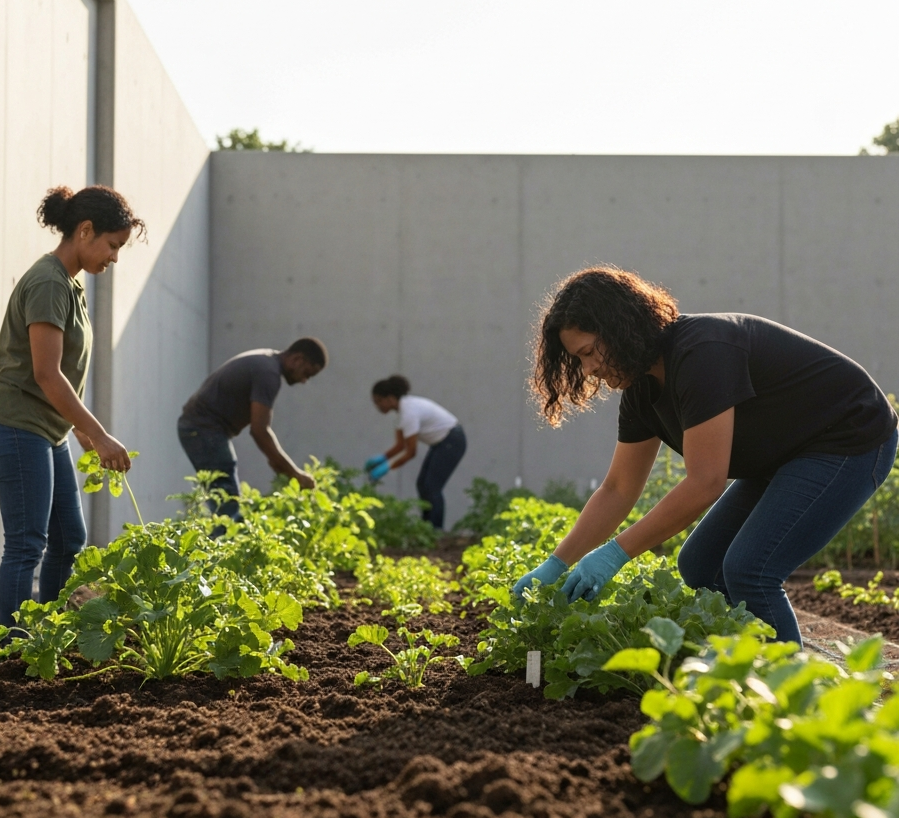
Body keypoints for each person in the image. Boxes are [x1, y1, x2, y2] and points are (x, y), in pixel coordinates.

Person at [513, 266, 898, 647]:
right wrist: (556, 564)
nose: (589, 368)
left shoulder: (702, 352)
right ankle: (747, 662)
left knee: (751, 570)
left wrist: (615, 554)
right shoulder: (640, 389)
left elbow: (705, 483)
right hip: (786, 452)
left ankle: (788, 693)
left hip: (848, 437)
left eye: (590, 352)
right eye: (578, 360)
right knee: (700, 565)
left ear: (618, 327)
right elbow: (617, 489)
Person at [0, 185, 146, 629]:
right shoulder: (50, 282)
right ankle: (15, 647)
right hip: (15, 425)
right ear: (85, 230)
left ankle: (49, 633)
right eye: (112, 245)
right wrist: (101, 435)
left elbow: (61, 380)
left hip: (44, 429)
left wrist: (84, 435)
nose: (114, 257)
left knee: (69, 537)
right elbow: (47, 375)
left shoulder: (71, 284)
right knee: (26, 543)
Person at [177, 339, 328, 518]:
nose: (304, 380)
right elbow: (259, 431)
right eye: (307, 374)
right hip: (203, 429)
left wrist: (279, 463)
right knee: (228, 510)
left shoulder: (266, 360)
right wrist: (296, 474)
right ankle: (223, 542)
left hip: (201, 428)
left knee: (223, 502)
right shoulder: (268, 373)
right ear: (298, 359)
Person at [365, 375, 467, 529]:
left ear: (391, 399)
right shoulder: (403, 412)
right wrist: (382, 459)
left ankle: (435, 531)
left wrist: (387, 467)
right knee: (423, 485)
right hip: (442, 443)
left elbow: (411, 452)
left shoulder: (408, 413)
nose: (378, 406)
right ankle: (426, 527)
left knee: (432, 487)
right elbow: (400, 446)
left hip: (452, 440)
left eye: (379, 401)